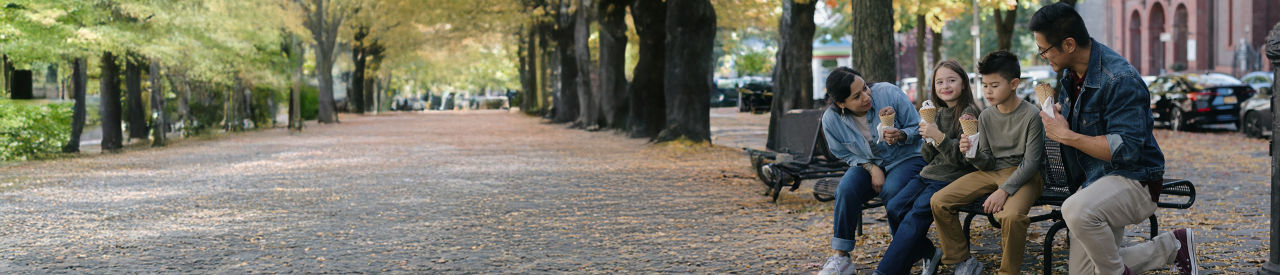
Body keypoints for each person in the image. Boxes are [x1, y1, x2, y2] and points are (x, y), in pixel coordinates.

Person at [1030, 3, 1195, 275]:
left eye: (1044, 50)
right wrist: (1058, 121)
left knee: (1076, 210)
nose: (1042, 56)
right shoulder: (1071, 76)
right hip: (1097, 181)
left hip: (1136, 180)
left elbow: (1127, 150)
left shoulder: (1119, 78)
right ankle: (1172, 247)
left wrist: (1067, 135)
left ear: (1069, 44)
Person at [930, 51, 1044, 275]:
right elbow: (986, 161)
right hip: (991, 172)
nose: (988, 92)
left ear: (1014, 84)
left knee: (1011, 217)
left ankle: (1008, 272)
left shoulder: (1031, 115)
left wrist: (1004, 191)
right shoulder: (985, 116)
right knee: (939, 201)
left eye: (994, 85)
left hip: (1024, 175)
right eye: (984, 86)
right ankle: (962, 260)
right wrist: (971, 153)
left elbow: (1031, 163)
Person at [874, 60, 981, 275]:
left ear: (963, 84)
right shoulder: (938, 113)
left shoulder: (969, 114)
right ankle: (928, 253)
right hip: (929, 174)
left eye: (952, 80)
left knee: (915, 216)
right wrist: (927, 139)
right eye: (939, 82)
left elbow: (963, 160)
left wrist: (938, 137)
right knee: (894, 207)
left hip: (952, 178)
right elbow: (928, 157)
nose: (945, 86)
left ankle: (886, 271)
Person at [817, 67, 926, 275]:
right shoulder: (831, 120)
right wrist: (871, 167)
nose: (867, 97)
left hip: (906, 157)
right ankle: (842, 258)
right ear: (841, 103)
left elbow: (917, 127)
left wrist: (901, 134)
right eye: (857, 96)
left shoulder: (889, 93)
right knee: (846, 189)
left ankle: (902, 253)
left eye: (865, 88)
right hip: (868, 162)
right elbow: (843, 154)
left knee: (891, 189)